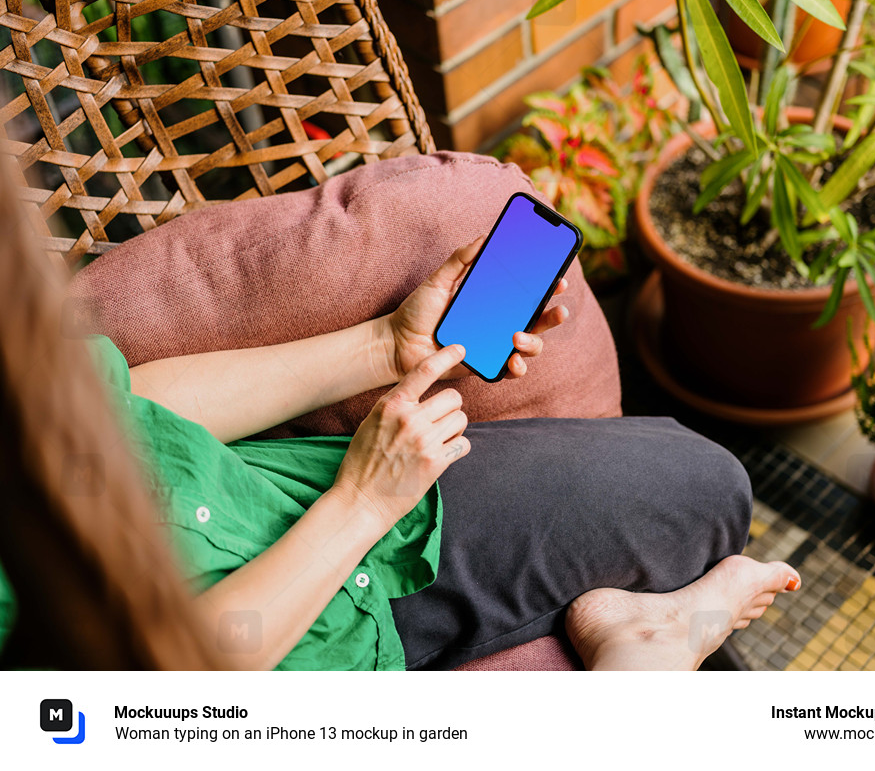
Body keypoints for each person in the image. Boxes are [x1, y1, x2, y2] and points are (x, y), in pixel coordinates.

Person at [77, 232, 798, 671]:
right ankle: (650, 658)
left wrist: (382, 346)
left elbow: (112, 406)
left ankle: (655, 647)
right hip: (314, 632)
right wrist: (359, 505)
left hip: (293, 495)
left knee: (705, 488)